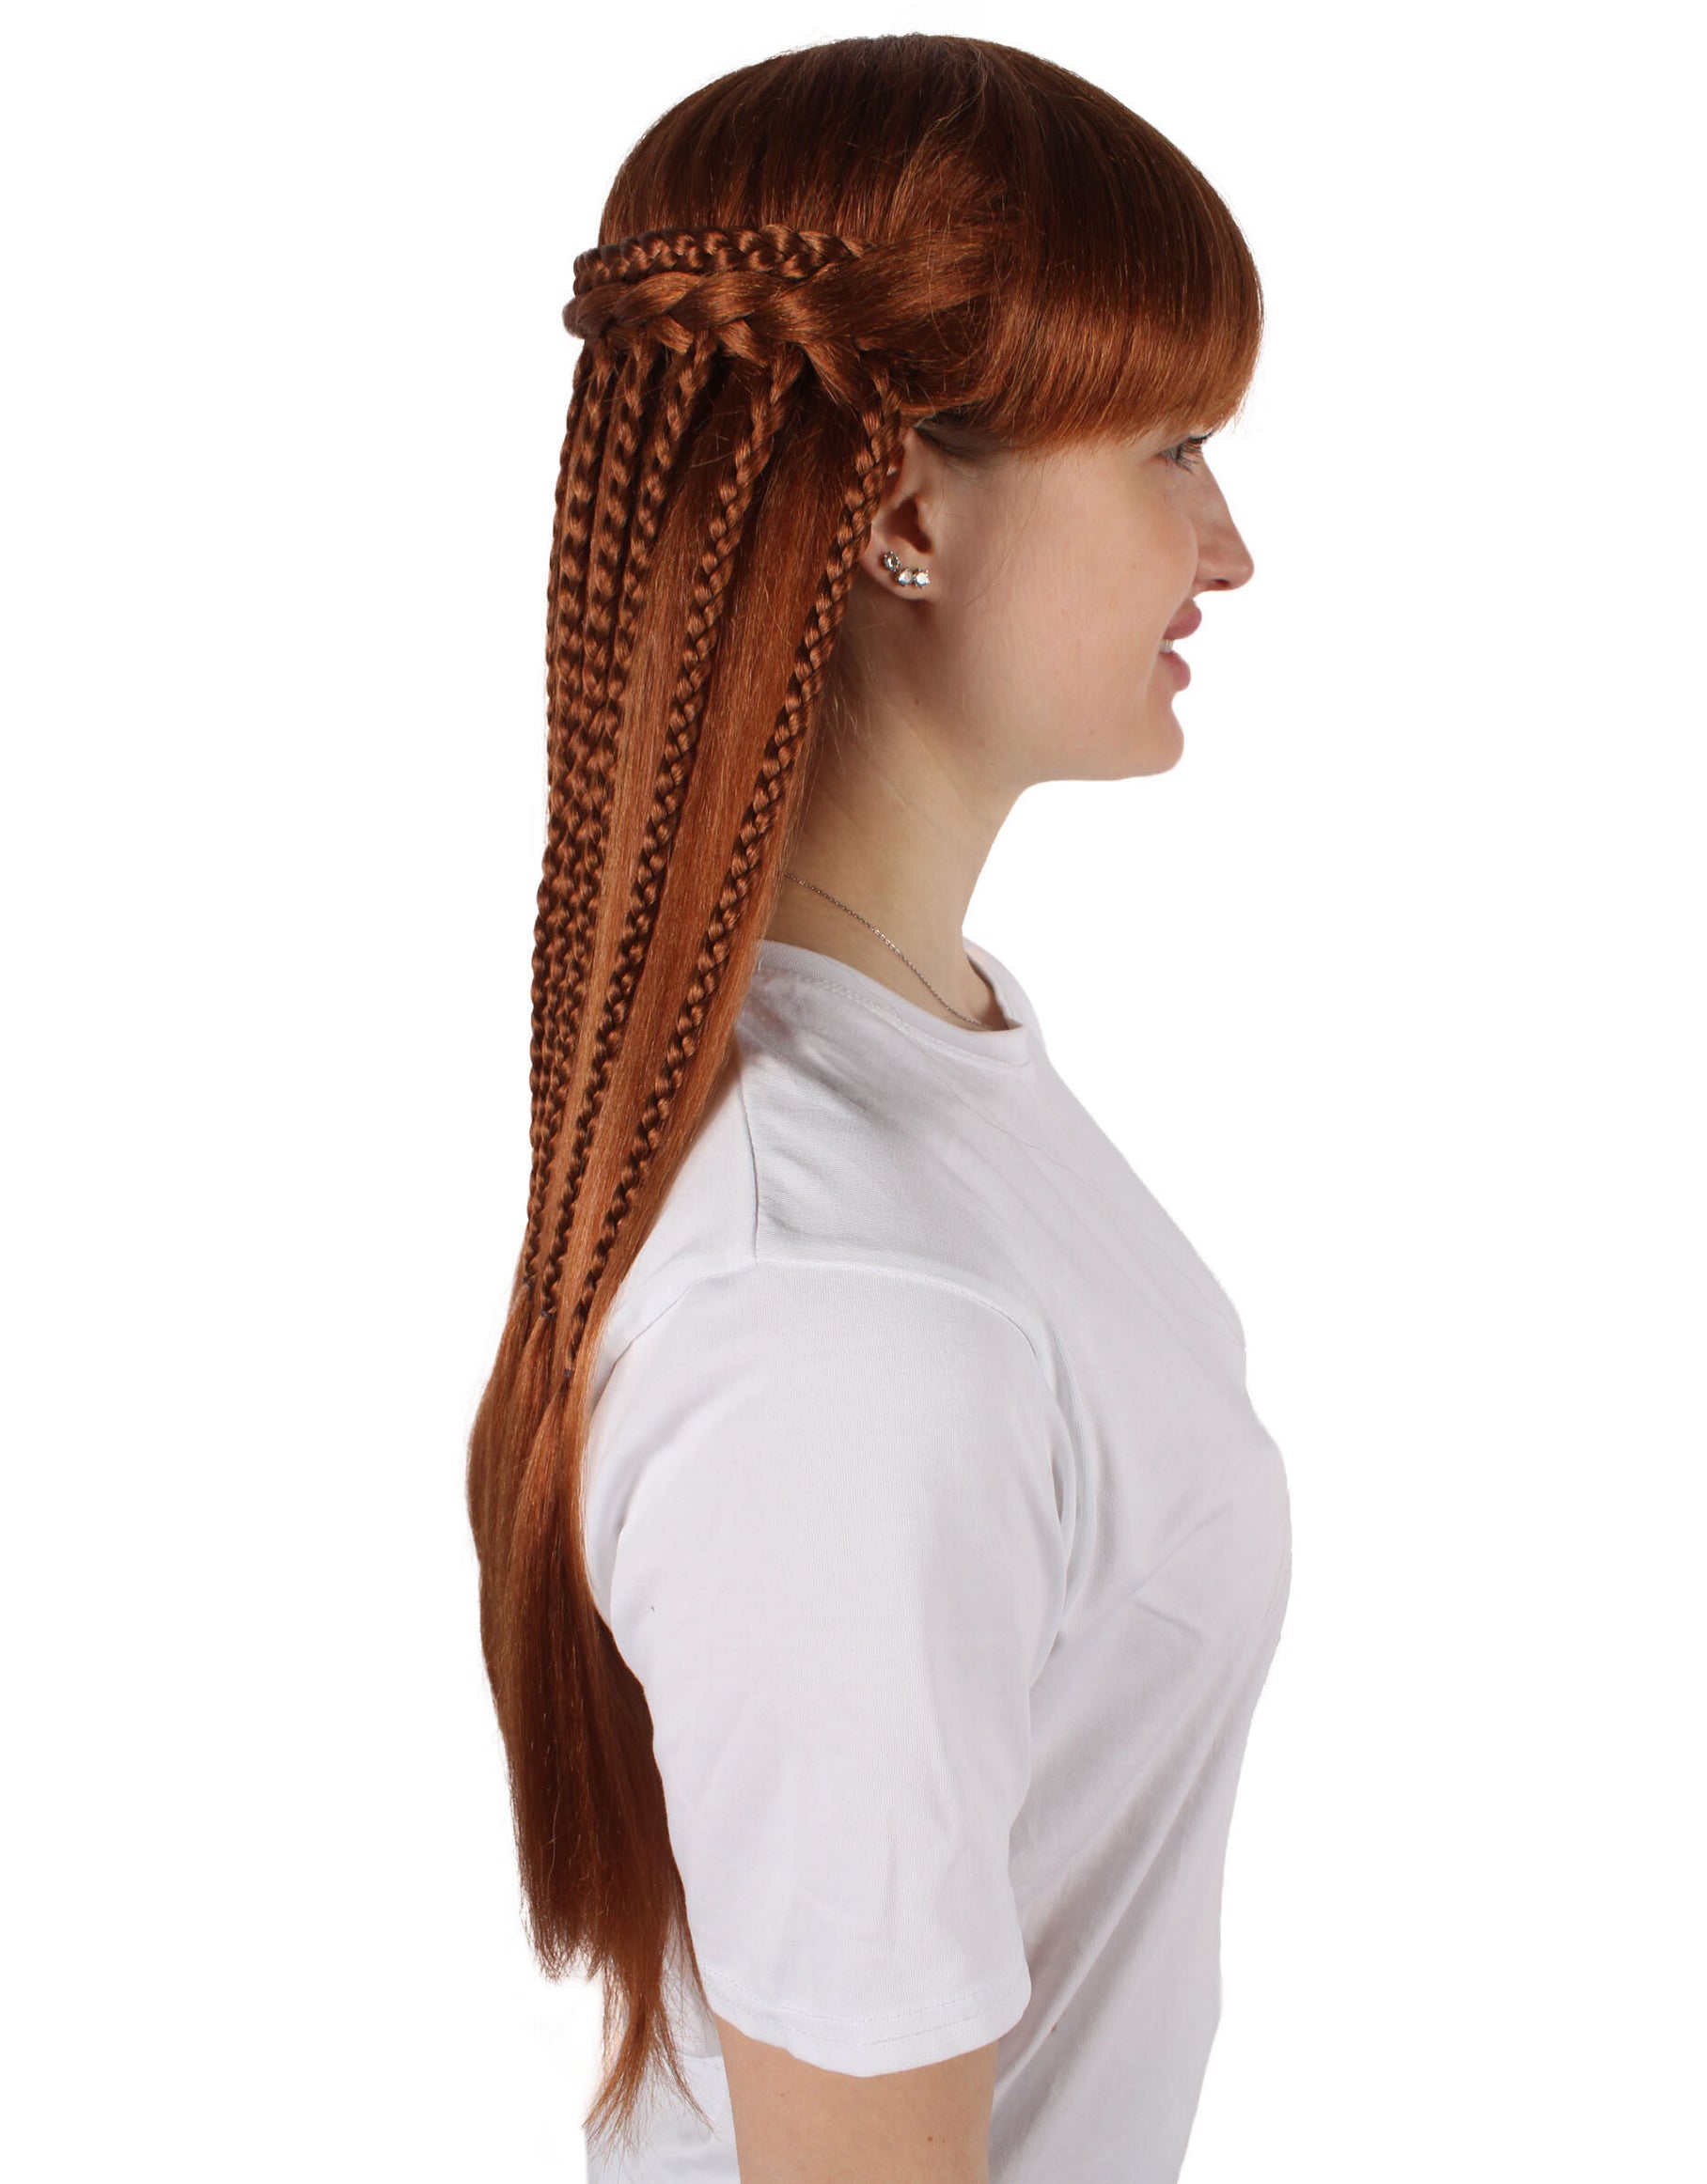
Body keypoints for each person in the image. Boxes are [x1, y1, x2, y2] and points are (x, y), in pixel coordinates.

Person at [466, 33, 1292, 2183]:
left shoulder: (918, 1056)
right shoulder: (839, 1317)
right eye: (1172, 446)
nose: (1229, 547)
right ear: (909, 506)